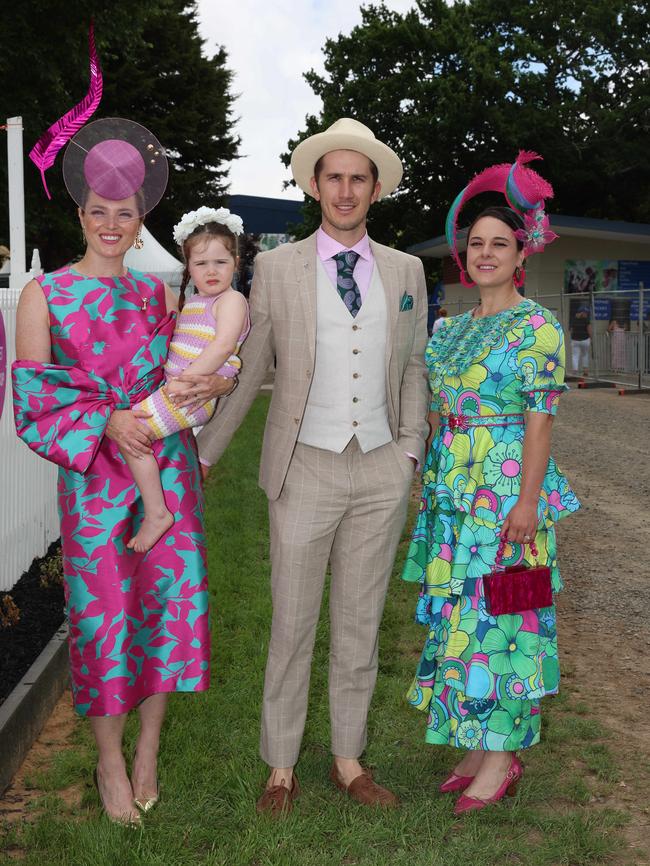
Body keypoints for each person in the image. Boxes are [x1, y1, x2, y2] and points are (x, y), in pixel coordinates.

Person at [197, 118, 429, 814]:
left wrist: (411, 448)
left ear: (375, 188)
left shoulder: (407, 270)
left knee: (359, 624)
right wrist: (204, 452)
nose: (347, 189)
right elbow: (250, 366)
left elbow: (414, 365)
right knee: (292, 623)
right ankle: (280, 767)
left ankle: (349, 760)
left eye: (359, 178)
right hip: (303, 468)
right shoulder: (276, 267)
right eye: (335, 177)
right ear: (316, 186)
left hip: (382, 465)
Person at [12, 118, 233, 825]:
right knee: (105, 619)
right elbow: (33, 397)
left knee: (167, 610)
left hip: (165, 474)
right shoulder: (44, 295)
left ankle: (147, 747)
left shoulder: (156, 295)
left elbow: (192, 364)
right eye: (99, 213)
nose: (112, 225)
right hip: (96, 486)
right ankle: (110, 761)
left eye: (126, 214)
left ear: (142, 220)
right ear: (80, 214)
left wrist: (219, 385)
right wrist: (105, 419)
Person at [402, 153, 580, 815]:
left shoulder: (538, 327)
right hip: (452, 500)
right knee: (460, 617)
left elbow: (540, 422)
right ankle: (477, 742)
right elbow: (438, 411)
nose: (484, 253)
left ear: (521, 251)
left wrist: (528, 503)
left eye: (497, 244)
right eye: (475, 243)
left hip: (506, 497)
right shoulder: (448, 330)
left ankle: (502, 757)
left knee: (506, 619)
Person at [124, 207, 250, 552]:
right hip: (178, 389)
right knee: (135, 437)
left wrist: (187, 379)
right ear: (189, 266)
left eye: (221, 262)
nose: (211, 271)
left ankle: (156, 513)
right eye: (201, 263)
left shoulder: (232, 300)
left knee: (131, 434)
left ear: (235, 262)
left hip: (192, 392)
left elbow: (223, 345)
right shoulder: (194, 301)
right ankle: (152, 507)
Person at [570, 306, 592, 375]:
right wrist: (591, 338)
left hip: (575, 340)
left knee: (575, 356)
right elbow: (589, 330)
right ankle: (585, 371)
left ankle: (575, 371)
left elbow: (571, 330)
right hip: (585, 340)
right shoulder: (586, 320)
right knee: (585, 355)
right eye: (585, 313)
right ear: (582, 313)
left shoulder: (573, 319)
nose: (586, 314)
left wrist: (572, 337)